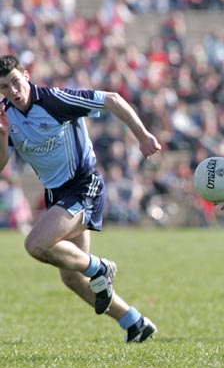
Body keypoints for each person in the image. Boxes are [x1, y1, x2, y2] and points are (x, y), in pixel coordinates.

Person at [0, 54, 161, 342]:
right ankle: (135, 323)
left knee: (35, 244)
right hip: (57, 196)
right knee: (72, 277)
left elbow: (111, 98)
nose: (13, 91)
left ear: (25, 75)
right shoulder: (6, 115)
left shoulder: (53, 100)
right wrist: (2, 137)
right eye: (3, 87)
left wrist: (143, 135)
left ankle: (101, 267)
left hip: (84, 187)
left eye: (15, 82)